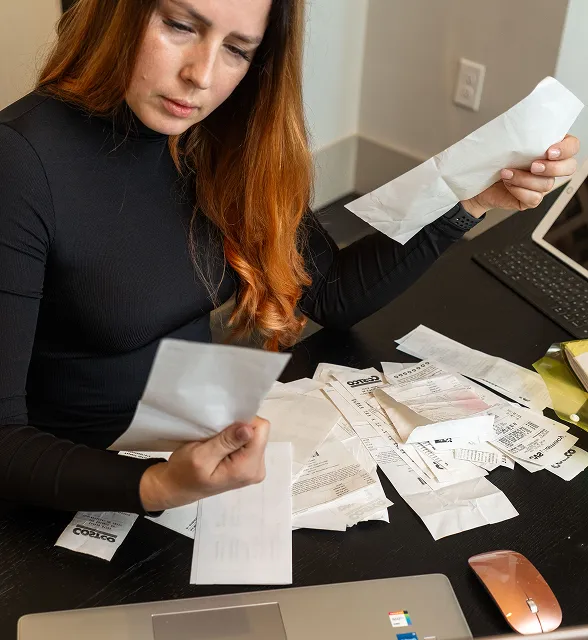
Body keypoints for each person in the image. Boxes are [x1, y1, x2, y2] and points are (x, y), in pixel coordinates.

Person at [0, 0, 580, 515]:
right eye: (179, 25)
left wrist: (473, 201)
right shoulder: (20, 164)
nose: (200, 76)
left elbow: (328, 292)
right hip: (71, 485)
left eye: (236, 49)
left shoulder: (215, 135)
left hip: (188, 441)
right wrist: (155, 485)